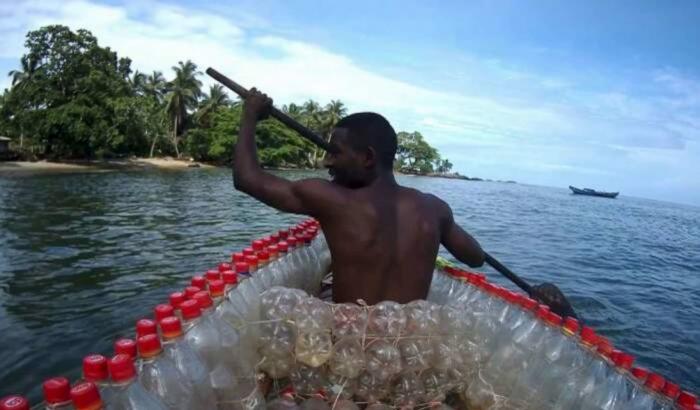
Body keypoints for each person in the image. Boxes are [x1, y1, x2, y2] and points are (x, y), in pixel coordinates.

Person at [233, 89, 485, 305]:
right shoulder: (435, 209)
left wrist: (250, 115)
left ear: (367, 157)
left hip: (350, 344)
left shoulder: (331, 199)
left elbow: (247, 178)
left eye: (335, 152)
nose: (326, 161)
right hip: (409, 345)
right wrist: (442, 228)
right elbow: (476, 258)